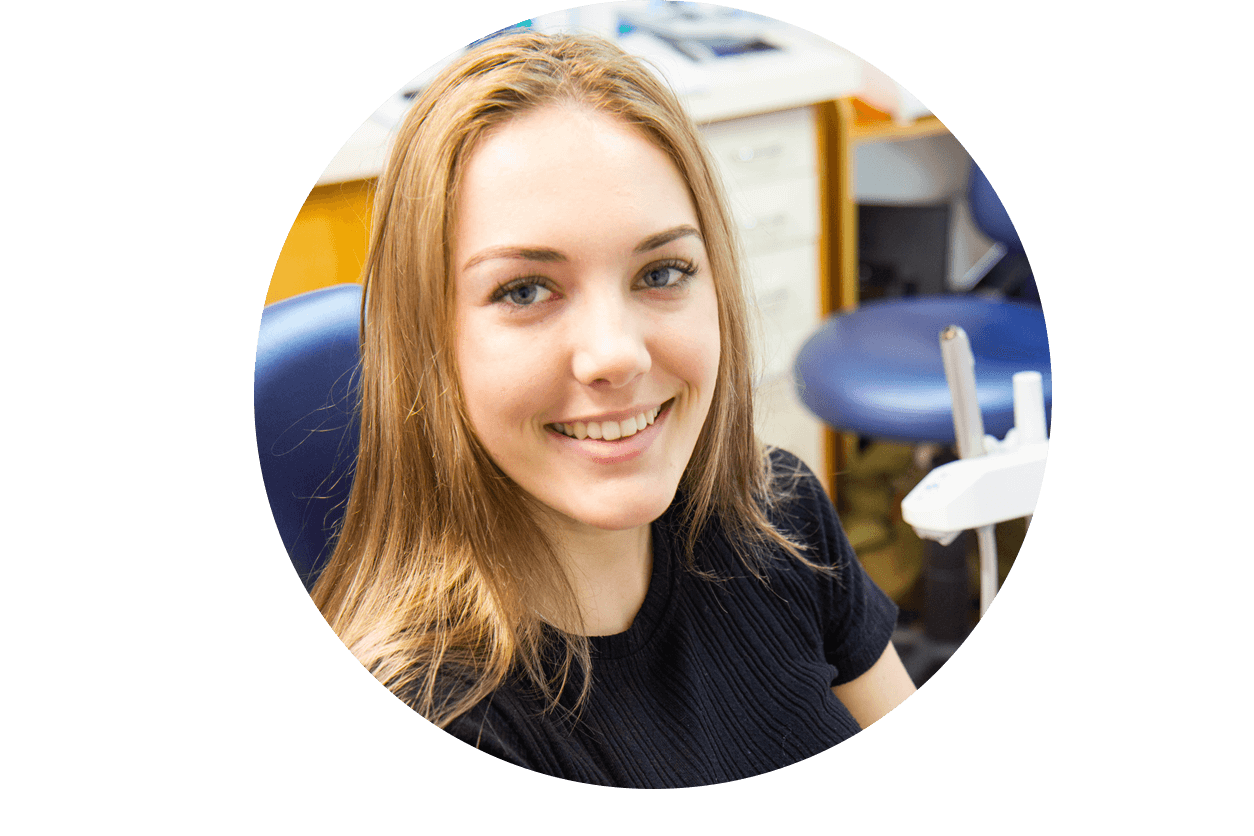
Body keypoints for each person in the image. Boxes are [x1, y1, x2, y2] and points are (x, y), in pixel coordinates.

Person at [309, 29, 916, 788]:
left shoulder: (777, 512)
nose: (616, 355)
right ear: (427, 342)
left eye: (662, 272)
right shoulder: (448, 713)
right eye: (525, 290)